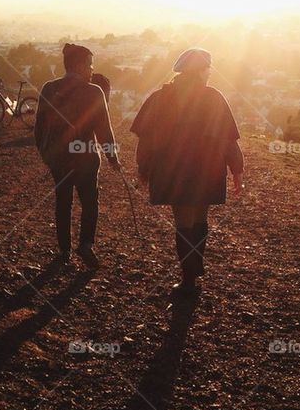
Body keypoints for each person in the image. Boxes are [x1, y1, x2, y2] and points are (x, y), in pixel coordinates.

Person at [131, 48, 243, 296]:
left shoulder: (160, 98)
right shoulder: (213, 98)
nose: (209, 73)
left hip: (173, 172)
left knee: (183, 222)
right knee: (200, 218)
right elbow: (228, 140)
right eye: (208, 69)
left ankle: (189, 276)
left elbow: (146, 140)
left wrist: (143, 169)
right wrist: (237, 170)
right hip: (207, 171)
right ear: (201, 71)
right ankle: (195, 267)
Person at [34, 43, 121, 267]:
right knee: (90, 203)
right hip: (86, 158)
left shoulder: (49, 88)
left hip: (58, 159)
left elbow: (39, 127)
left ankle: (64, 250)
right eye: (90, 65)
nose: (92, 70)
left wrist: (46, 154)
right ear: (81, 65)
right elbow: (104, 131)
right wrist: (113, 157)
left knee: (63, 202)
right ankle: (86, 245)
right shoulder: (94, 92)